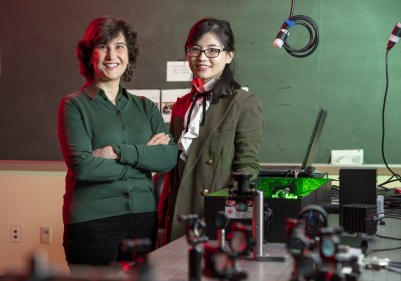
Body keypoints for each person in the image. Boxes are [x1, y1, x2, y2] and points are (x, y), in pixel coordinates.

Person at [57, 15, 178, 267]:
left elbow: (168, 157)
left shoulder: (145, 107)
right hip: (92, 224)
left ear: (129, 54)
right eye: (103, 46)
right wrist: (144, 156)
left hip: (143, 219)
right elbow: (84, 167)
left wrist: (116, 151)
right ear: (90, 54)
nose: (112, 55)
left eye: (119, 46)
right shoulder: (73, 105)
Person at [157, 17, 264, 245]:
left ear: (229, 55)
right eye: (195, 49)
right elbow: (174, 171)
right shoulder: (181, 104)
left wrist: (226, 213)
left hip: (213, 218)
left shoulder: (244, 102)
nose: (202, 57)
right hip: (176, 215)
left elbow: (248, 166)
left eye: (213, 50)